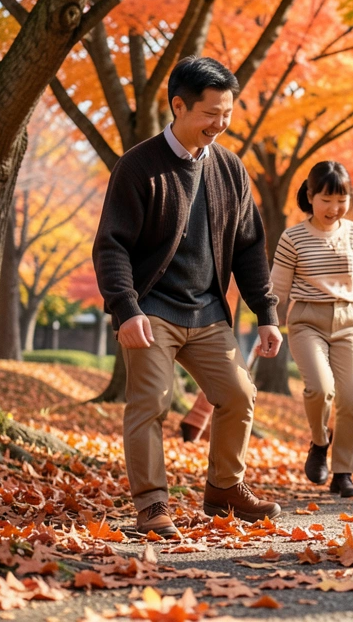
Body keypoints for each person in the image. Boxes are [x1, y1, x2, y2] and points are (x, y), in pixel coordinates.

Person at [93, 57, 283, 539]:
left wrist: (266, 313)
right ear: (178, 106)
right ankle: (152, 505)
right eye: (210, 114)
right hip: (152, 309)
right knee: (151, 402)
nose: (220, 125)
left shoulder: (229, 168)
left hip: (208, 310)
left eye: (227, 114)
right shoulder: (138, 166)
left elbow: (249, 246)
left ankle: (224, 489)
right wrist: (125, 308)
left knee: (238, 395)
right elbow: (111, 244)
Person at [271, 161, 353, 499]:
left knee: (352, 399)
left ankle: (343, 474)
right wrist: (270, 324)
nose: (334, 208)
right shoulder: (292, 237)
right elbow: (277, 287)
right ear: (310, 196)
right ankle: (319, 442)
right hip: (307, 319)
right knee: (320, 389)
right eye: (326, 199)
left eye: (342, 200)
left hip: (349, 322)